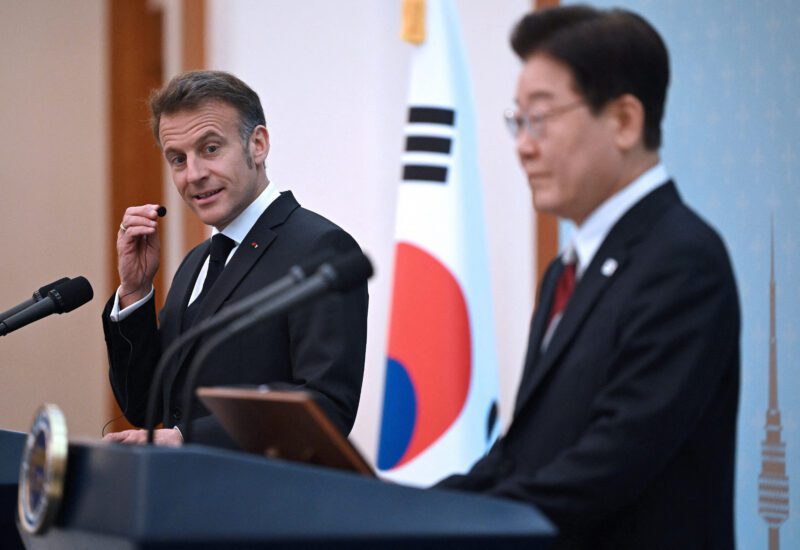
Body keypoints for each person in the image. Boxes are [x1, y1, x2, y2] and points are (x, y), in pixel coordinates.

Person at [436, 6, 740, 549]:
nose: (523, 145)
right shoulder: (566, 270)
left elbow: (609, 464)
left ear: (624, 121)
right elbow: (522, 454)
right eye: (518, 120)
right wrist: (407, 510)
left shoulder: (684, 260)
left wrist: (455, 526)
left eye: (541, 118)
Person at [102, 71, 368, 449]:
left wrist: (187, 439)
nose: (194, 175)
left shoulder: (320, 249)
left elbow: (327, 406)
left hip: (259, 487)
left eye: (210, 149)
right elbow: (145, 407)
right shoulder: (195, 263)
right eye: (178, 159)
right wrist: (135, 291)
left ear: (257, 145)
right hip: (180, 486)